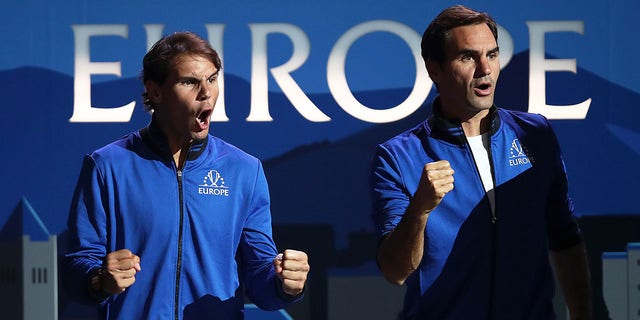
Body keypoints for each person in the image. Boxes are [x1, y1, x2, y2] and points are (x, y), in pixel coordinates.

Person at [63, 31, 310, 319]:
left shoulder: (244, 170)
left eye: (212, 78)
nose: (206, 92)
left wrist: (285, 284)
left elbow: (260, 279)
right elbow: (76, 269)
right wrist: (99, 280)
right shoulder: (107, 165)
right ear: (155, 92)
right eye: (189, 81)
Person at [370, 5, 591, 319]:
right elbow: (396, 270)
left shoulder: (535, 135)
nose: (484, 68)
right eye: (467, 57)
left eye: (492, 54)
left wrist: (583, 314)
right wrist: (420, 208)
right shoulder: (397, 157)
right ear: (435, 69)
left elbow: (565, 236)